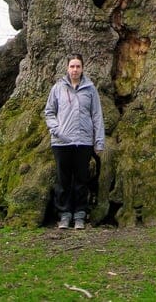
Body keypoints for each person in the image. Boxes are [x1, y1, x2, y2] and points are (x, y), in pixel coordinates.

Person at [44, 54, 105, 230]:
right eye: (72, 66)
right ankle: (64, 214)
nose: (75, 70)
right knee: (63, 180)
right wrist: (56, 130)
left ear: (83, 68)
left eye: (78, 66)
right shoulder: (58, 88)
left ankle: (79, 214)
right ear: (67, 68)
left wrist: (99, 141)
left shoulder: (90, 89)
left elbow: (97, 115)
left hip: (83, 141)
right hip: (61, 143)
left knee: (81, 180)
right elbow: (49, 111)